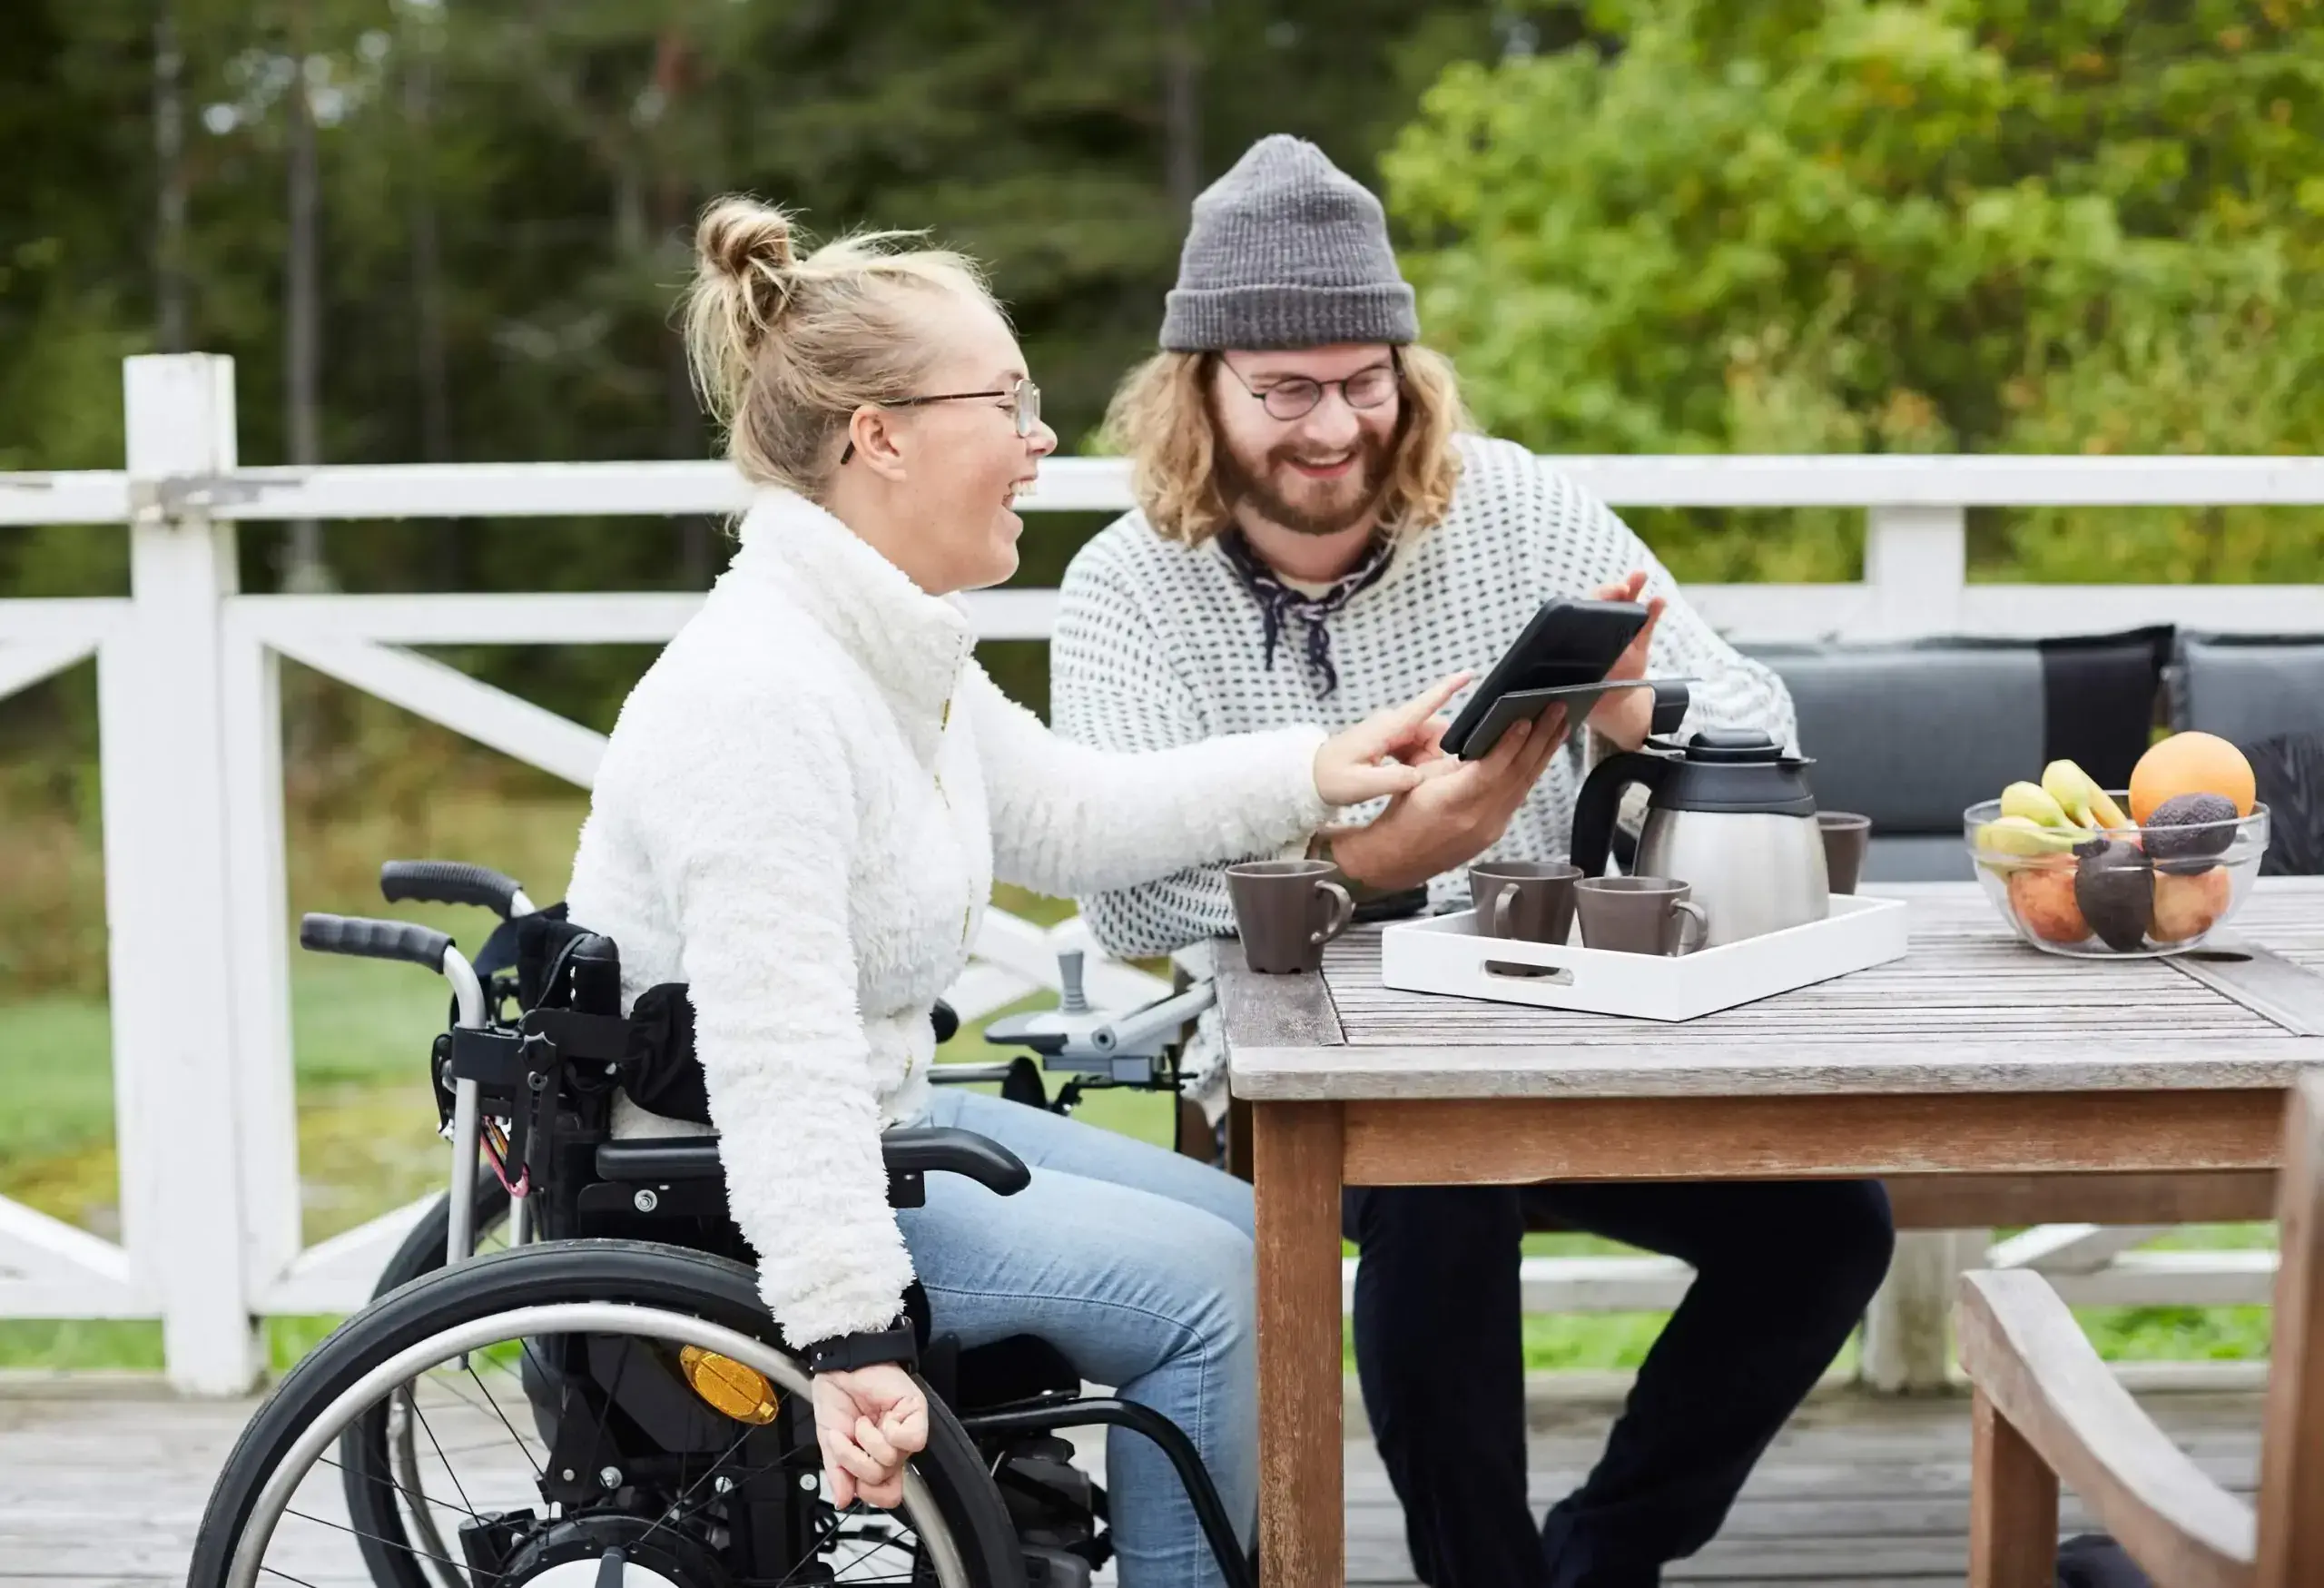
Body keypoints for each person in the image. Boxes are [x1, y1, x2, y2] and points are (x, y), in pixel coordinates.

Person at [564, 194, 1469, 1588]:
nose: (1043, 438)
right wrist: (853, 1336)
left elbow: (1070, 812)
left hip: (880, 1116)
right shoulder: (760, 695)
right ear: (882, 436)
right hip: (738, 1188)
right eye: (1008, 400)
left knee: (1260, 1231)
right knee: (1226, 1298)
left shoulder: (877, 644)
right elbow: (778, 1057)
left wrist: (1322, 767)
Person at [1052, 134, 1897, 1588]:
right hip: (1317, 1051)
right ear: (1199, 391)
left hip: (1580, 1016)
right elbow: (1126, 895)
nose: (1335, 427)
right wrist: (1379, 862)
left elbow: (1765, 720)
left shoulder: (1508, 502)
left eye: (1366, 379)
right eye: (1288, 392)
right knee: (1443, 1193)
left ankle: (1598, 1558)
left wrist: (1639, 709)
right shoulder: (1124, 585)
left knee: (1832, 1230)